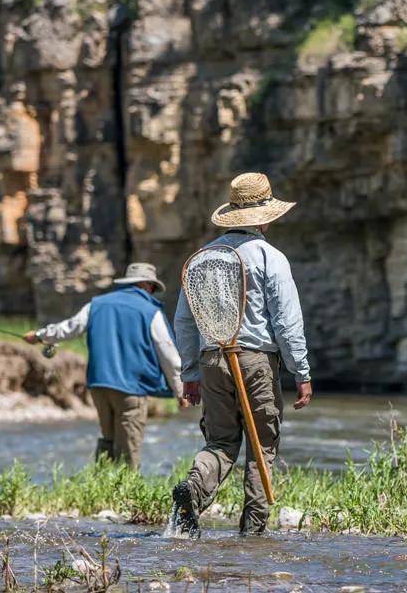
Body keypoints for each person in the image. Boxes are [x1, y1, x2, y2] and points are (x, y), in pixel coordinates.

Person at [172, 172, 313, 537]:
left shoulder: (201, 259)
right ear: (266, 216)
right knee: (261, 443)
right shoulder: (271, 257)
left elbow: (184, 322)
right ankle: (253, 532)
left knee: (219, 441)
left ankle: (193, 490)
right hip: (256, 359)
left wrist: (190, 373)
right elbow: (286, 322)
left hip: (212, 359)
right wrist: (301, 372)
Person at [24, 263, 184, 469]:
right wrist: (181, 390)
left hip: (98, 384)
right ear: (146, 285)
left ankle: (103, 482)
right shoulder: (150, 311)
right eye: (153, 288)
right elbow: (168, 353)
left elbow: (69, 328)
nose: (152, 292)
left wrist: (39, 335)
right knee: (129, 442)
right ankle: (125, 490)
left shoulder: (97, 304)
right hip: (131, 388)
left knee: (108, 437)